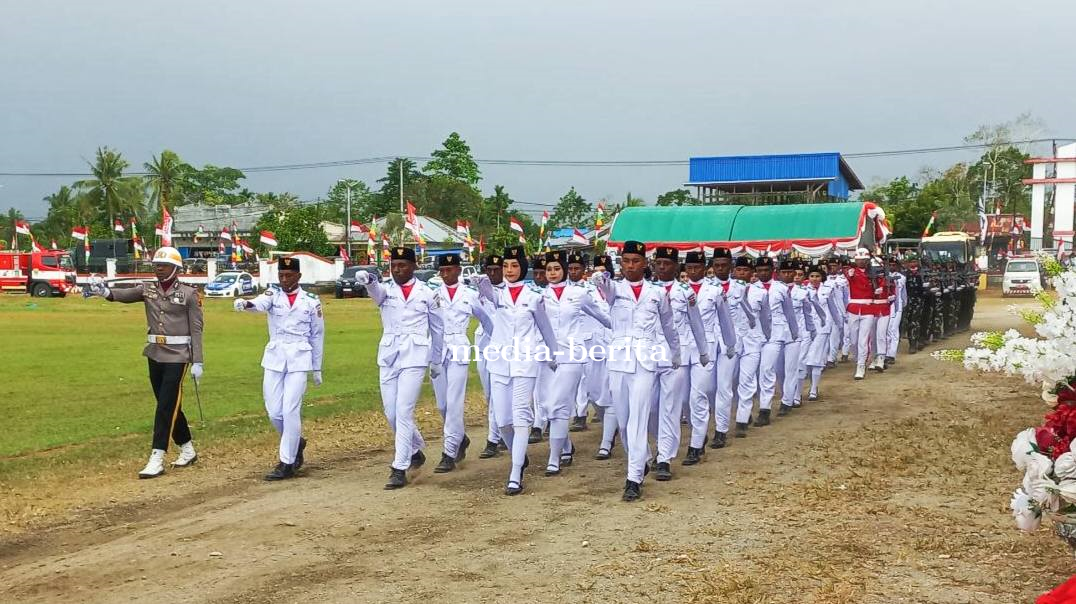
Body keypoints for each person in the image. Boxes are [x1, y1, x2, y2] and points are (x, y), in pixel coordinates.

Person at [83, 246, 204, 478]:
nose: (159, 270)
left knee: (165, 406)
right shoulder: (148, 289)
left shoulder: (189, 294)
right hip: (155, 352)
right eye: (156, 265)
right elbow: (124, 295)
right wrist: (104, 292)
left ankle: (157, 456)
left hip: (178, 356)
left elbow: (197, 330)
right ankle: (187, 449)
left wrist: (197, 361)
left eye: (164, 266)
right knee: (167, 403)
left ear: (176, 269)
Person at [590, 241, 680, 502]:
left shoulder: (657, 293)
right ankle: (643, 459)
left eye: (636, 261)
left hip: (645, 361)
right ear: (621, 263)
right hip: (618, 361)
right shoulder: (614, 289)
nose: (631, 266)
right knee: (624, 419)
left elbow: (669, 326)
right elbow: (602, 284)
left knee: (638, 419)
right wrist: (599, 275)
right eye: (626, 261)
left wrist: (675, 354)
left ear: (645, 263)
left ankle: (633, 479)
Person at [354, 247, 444, 489]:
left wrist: (436, 360)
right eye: (394, 265)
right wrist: (369, 280)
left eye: (403, 265)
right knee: (391, 412)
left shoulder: (427, 293)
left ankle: (399, 467)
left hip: (415, 356)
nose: (397, 270)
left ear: (414, 266)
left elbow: (437, 329)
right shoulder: (386, 291)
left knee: (404, 411)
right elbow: (375, 291)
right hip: (390, 355)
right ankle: (415, 450)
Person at [475, 246, 559, 495]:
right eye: (506, 266)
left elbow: (545, 329)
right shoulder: (497, 296)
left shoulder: (534, 297)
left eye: (514, 266)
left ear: (523, 268)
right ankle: (519, 456)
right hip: (500, 361)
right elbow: (487, 292)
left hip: (525, 360)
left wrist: (553, 354)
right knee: (502, 421)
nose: (509, 271)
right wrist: (480, 282)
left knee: (521, 415)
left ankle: (515, 473)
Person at [233, 256, 325, 480]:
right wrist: (246, 304)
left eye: (289, 275)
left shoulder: (311, 301)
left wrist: (317, 368)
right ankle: (296, 442)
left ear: (298, 276)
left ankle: (287, 462)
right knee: (274, 411)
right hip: (275, 357)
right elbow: (259, 304)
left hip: (299, 358)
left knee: (290, 409)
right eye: (281, 275)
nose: (284, 279)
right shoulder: (272, 295)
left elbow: (317, 335)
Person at [537, 250, 610, 475]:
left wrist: (623, 330)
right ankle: (566, 446)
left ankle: (553, 457)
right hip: (546, 357)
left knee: (558, 406)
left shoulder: (578, 294)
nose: (552, 273)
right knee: (547, 405)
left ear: (565, 270)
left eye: (556, 268)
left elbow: (602, 316)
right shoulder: (538, 296)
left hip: (572, 356)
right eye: (549, 269)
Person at [429, 253, 492, 473]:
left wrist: (494, 345)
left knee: (454, 402)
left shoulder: (470, 295)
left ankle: (448, 452)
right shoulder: (433, 294)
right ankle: (461, 437)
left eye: (450, 270)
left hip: (459, 349)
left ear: (458, 270)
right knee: (442, 405)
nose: (446, 274)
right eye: (442, 271)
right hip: (437, 350)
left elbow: (487, 321)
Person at [650, 247, 708, 482]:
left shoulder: (685, 293)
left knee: (670, 409)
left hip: (677, 358)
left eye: (667, 263)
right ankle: (654, 448)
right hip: (649, 356)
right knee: (651, 409)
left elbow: (697, 324)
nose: (662, 267)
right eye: (659, 263)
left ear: (676, 266)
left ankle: (664, 457)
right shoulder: (646, 290)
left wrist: (704, 352)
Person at [681, 251, 736, 465]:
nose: (693, 271)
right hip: (684, 347)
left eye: (697, 267)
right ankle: (699, 430)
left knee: (699, 395)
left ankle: (696, 444)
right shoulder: (678, 290)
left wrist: (730, 344)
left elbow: (725, 320)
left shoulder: (715, 290)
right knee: (684, 398)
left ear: (705, 268)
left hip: (707, 347)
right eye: (689, 268)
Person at [710, 252, 760, 446]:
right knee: (708, 389)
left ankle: (721, 430)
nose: (720, 268)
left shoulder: (739, 287)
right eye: (717, 265)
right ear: (712, 266)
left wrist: (746, 333)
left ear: (730, 266)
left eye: (724, 265)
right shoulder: (706, 287)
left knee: (725, 386)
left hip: (731, 343)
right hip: (708, 342)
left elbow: (749, 312)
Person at [755, 256, 798, 427]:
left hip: (776, 334)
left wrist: (794, 332)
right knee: (756, 372)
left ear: (772, 271)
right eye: (760, 270)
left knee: (767, 369)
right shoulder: (750, 289)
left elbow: (789, 313)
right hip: (756, 335)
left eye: (766, 270)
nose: (763, 273)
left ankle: (765, 409)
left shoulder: (780, 289)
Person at [730, 256, 770, 438]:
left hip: (753, 341)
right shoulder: (725, 291)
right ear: (734, 271)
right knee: (732, 381)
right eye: (739, 270)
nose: (742, 273)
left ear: (751, 273)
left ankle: (742, 419)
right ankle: (738, 412)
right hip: (731, 341)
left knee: (747, 379)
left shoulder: (760, 293)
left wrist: (766, 337)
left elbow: (766, 317)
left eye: (745, 270)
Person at [476, 254, 507, 459]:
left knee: (498, 393)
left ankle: (493, 439)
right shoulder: (479, 291)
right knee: (489, 394)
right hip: (484, 343)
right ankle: (503, 429)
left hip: (504, 345)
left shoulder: (509, 291)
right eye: (489, 270)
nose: (493, 273)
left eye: (497, 269)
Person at [777, 259, 815, 416]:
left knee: (792, 367)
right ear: (779, 274)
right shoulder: (774, 290)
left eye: (790, 272)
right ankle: (785, 394)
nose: (787, 275)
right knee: (778, 370)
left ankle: (788, 400)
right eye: (784, 272)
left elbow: (808, 313)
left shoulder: (802, 293)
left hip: (795, 335)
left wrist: (812, 330)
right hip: (777, 334)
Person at [844, 248, 884, 380]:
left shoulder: (873, 273)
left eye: (864, 259)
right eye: (859, 259)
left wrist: (878, 289)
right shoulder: (852, 272)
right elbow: (848, 276)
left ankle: (861, 366)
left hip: (868, 308)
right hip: (854, 308)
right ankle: (858, 359)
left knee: (863, 339)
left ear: (867, 261)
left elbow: (881, 283)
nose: (861, 262)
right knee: (853, 340)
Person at [805, 262, 840, 401]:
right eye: (812, 276)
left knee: (817, 359)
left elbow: (833, 308)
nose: (814, 279)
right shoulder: (802, 290)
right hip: (806, 328)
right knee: (805, 359)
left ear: (822, 277)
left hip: (823, 327)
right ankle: (806, 386)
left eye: (817, 276)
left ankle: (814, 389)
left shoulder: (827, 289)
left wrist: (839, 323)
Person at [882, 257, 908, 366]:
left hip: (897, 306)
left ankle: (891, 354)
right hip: (886, 306)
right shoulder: (884, 277)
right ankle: (885, 353)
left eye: (894, 265)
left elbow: (903, 294)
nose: (892, 267)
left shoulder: (901, 278)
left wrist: (902, 305)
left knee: (893, 329)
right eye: (890, 265)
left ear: (897, 266)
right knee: (886, 330)